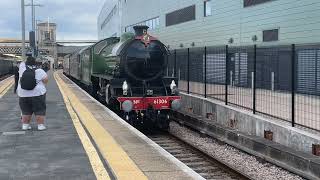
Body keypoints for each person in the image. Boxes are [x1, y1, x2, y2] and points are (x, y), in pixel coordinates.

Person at [17, 57, 48, 131]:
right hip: (38, 94)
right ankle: (40, 126)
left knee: (25, 110)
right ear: (36, 63)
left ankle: (25, 125)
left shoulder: (22, 69)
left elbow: (22, 63)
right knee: (39, 110)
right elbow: (45, 81)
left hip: (23, 94)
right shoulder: (40, 71)